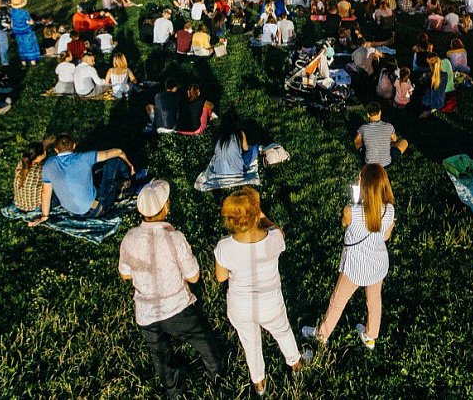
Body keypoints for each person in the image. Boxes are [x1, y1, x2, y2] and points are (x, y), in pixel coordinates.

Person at [120, 181, 225, 399]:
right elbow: (193, 275)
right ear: (165, 207)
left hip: (146, 313)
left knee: (159, 353)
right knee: (201, 337)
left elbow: (125, 274)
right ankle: (217, 372)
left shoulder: (129, 238)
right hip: (176, 306)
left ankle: (173, 389)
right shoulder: (174, 238)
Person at [214, 187, 303, 396]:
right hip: (270, 302)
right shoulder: (273, 238)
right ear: (256, 214)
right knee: (282, 331)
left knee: (250, 342)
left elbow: (221, 277)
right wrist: (263, 216)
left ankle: (259, 383)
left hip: (240, 305)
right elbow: (279, 232)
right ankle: (296, 364)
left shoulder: (223, 246)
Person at [302, 164, 396, 351]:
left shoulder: (350, 211)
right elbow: (385, 236)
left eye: (360, 178)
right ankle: (371, 337)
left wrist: (356, 204)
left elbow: (345, 226)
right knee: (374, 300)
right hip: (377, 264)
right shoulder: (389, 210)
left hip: (355, 267)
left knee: (337, 302)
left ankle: (322, 335)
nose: (358, 179)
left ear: (364, 186)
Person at [31, 134, 137, 222]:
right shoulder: (84, 157)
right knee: (115, 161)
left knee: (95, 175)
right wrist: (129, 163)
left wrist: (44, 216)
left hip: (72, 212)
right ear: (74, 146)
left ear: (55, 150)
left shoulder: (49, 164)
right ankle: (130, 181)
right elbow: (118, 152)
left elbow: (46, 193)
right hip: (97, 209)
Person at [355, 102, 407, 166]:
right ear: (380, 112)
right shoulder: (389, 126)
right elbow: (394, 139)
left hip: (369, 163)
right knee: (404, 142)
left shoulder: (363, 128)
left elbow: (356, 140)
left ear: (368, 114)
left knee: (358, 141)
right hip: (386, 163)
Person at [13, 141, 49, 212]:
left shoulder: (20, 164)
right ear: (40, 156)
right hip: (34, 207)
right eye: (44, 150)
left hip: (19, 204)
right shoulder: (41, 170)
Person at [8, 0, 40, 66]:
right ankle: (32, 61)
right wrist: (33, 22)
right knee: (29, 45)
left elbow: (11, 22)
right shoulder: (24, 13)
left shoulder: (11, 12)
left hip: (17, 32)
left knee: (21, 46)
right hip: (26, 31)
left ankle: (23, 61)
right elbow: (29, 21)